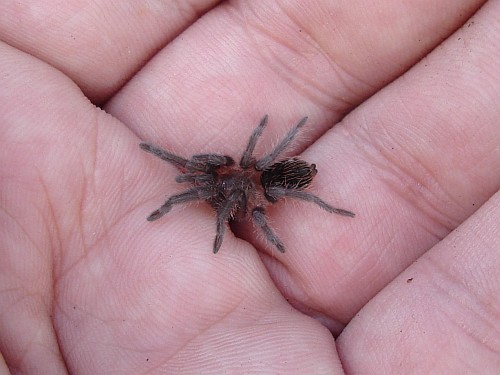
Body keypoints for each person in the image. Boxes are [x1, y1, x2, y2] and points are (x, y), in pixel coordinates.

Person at [0, 2, 499, 373]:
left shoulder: (254, 189)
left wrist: (231, 221)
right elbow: (219, 165)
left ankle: (295, 201)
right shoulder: (226, 173)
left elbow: (250, 166)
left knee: (240, 194)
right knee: (214, 177)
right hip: (256, 175)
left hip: (265, 181)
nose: (210, 189)